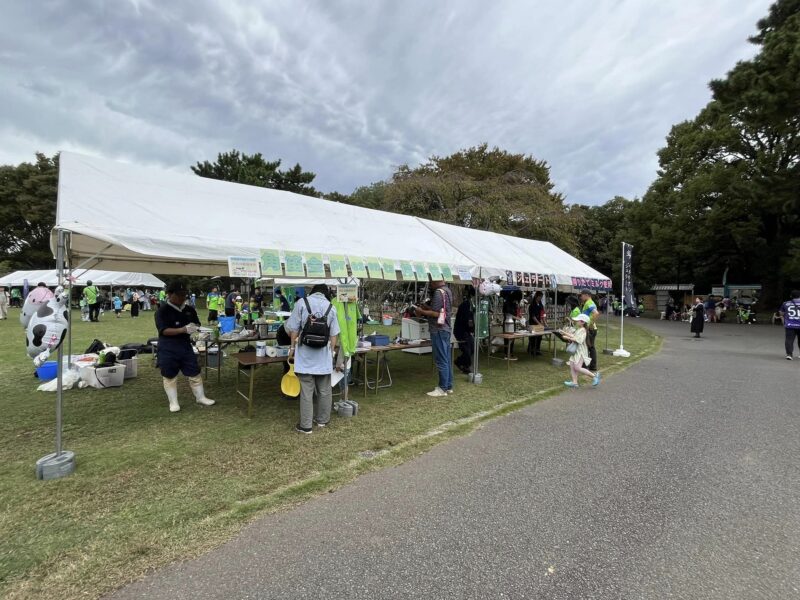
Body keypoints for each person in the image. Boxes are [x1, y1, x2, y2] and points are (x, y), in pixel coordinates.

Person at [286, 284, 340, 433]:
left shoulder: (302, 303)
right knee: (324, 390)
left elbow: (294, 329)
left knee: (306, 391)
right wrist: (332, 352)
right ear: (325, 293)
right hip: (323, 356)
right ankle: (322, 420)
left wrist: (292, 349)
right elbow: (334, 334)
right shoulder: (331, 307)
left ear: (313, 291)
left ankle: (306, 426)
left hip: (305, 355)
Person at [155, 279, 215, 413]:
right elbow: (163, 330)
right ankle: (173, 402)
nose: (182, 298)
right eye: (179, 294)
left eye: (184, 295)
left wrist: (194, 328)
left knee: (194, 370)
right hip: (168, 346)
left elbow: (197, 324)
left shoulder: (189, 309)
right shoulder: (162, 311)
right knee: (169, 374)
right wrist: (182, 330)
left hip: (185, 345)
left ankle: (201, 397)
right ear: (169, 294)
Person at [413, 279, 454, 397]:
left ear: (436, 281)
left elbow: (436, 313)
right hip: (445, 329)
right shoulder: (447, 291)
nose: (430, 283)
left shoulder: (438, 292)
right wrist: (426, 306)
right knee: (446, 358)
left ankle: (442, 388)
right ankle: (448, 386)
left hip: (438, 329)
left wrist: (421, 311)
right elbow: (442, 310)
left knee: (441, 359)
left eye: (431, 281)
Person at [561, 314, 601, 388]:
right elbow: (574, 336)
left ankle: (594, 376)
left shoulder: (583, 330)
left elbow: (579, 340)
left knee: (577, 367)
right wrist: (565, 333)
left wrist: (566, 337)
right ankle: (574, 382)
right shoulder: (580, 329)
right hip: (576, 351)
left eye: (577, 321)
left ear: (582, 322)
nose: (576, 322)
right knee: (572, 365)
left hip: (580, 352)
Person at [453, 289, 474, 374]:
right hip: (461, 330)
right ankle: (466, 367)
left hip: (466, 330)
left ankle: (459, 361)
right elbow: (467, 320)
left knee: (472, 348)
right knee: (467, 349)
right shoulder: (466, 305)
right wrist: (472, 328)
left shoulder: (472, 305)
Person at [579, 289, 599, 371]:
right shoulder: (588, 303)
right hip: (590, 328)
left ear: (586, 295)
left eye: (582, 295)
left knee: (588, 347)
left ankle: (587, 365)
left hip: (590, 329)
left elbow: (596, 313)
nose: (581, 297)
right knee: (590, 347)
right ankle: (591, 365)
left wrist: (590, 324)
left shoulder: (589, 303)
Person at [779, 289, 800, 360]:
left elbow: (781, 313)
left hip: (790, 325)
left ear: (791, 296)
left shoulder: (785, 303)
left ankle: (789, 354)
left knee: (789, 340)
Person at [527, 291, 546, 356]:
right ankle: (531, 349)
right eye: (539, 297)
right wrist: (539, 323)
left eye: (541, 297)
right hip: (532, 323)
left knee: (539, 337)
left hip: (539, 323)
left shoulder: (541, 305)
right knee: (532, 337)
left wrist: (544, 322)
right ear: (536, 296)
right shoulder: (532, 305)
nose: (540, 298)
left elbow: (543, 314)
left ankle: (537, 350)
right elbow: (533, 316)